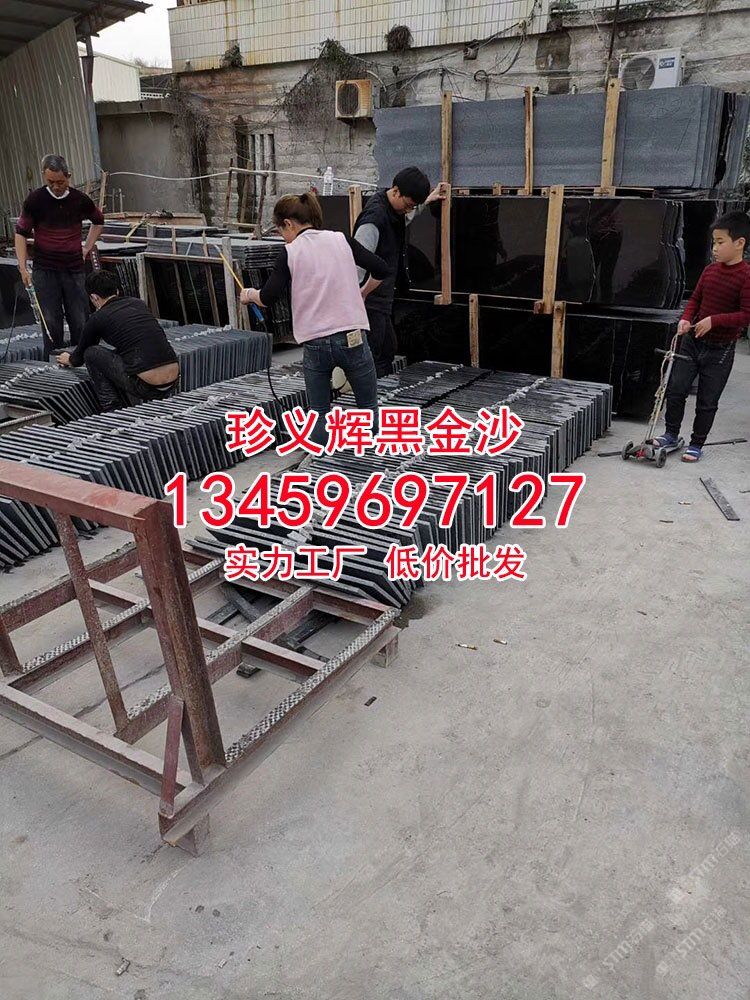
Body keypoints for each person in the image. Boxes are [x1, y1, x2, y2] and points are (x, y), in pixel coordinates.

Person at [239, 191, 388, 446]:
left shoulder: (290, 252)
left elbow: (268, 297)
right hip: (352, 337)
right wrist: (362, 292)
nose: (283, 237)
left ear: (288, 224)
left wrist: (249, 294)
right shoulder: (341, 240)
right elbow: (382, 269)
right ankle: (371, 457)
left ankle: (320, 460)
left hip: (316, 342)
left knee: (319, 412)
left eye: (280, 231)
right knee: (367, 406)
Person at [653, 211, 750, 462]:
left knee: (707, 400)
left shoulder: (746, 277)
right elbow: (695, 300)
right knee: (676, 389)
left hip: (720, 349)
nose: (714, 248)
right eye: (713, 242)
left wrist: (714, 321)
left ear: (739, 243)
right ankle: (671, 434)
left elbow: (745, 315)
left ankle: (697, 443)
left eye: (720, 242)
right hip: (692, 342)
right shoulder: (709, 271)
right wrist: (686, 318)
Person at [353, 167, 445, 376]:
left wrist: (427, 200)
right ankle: (370, 393)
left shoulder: (393, 210)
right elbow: (356, 262)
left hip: (382, 297)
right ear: (395, 191)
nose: (408, 210)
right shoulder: (374, 220)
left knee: (387, 349)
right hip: (369, 300)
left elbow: (407, 215)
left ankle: (379, 389)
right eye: (408, 204)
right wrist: (359, 295)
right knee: (374, 355)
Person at [15, 154, 105, 361]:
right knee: (51, 321)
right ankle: (54, 363)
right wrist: (22, 267)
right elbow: (21, 233)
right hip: (45, 270)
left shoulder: (79, 200)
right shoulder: (35, 200)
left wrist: (86, 247)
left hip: (74, 269)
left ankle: (82, 361)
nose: (56, 187)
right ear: (44, 177)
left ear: (69, 176)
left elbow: (98, 220)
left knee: (80, 320)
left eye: (61, 182)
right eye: (51, 182)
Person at [56, 270, 180, 412]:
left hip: (147, 387)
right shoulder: (138, 303)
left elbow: (78, 359)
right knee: (127, 349)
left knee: (92, 353)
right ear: (117, 291)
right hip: (174, 381)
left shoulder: (98, 318)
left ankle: (112, 408)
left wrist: (68, 359)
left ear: (94, 297)